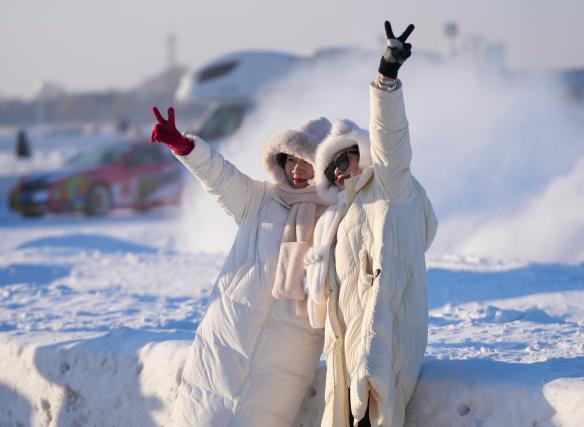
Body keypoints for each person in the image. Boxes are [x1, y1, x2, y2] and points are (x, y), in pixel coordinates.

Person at [149, 107, 331, 426]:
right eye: (291, 159)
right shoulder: (259, 199)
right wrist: (185, 147)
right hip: (226, 344)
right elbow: (219, 177)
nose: (297, 170)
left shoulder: (335, 219)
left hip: (287, 359)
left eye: (307, 162)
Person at [305, 21, 438, 427]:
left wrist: (386, 78)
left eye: (345, 159)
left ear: (362, 151)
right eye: (332, 170)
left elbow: (391, 138)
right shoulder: (340, 219)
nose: (340, 172)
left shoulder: (391, 185)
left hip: (385, 349)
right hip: (350, 359)